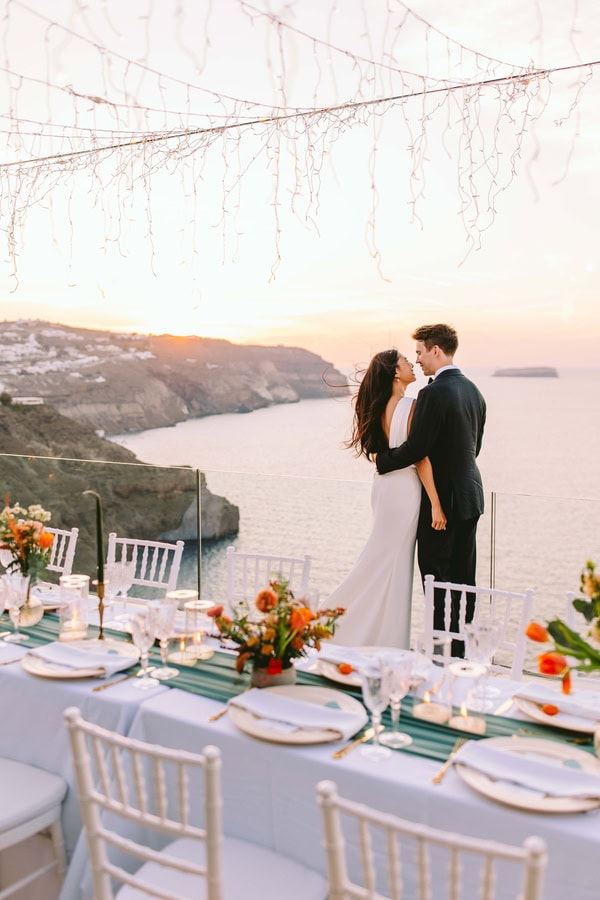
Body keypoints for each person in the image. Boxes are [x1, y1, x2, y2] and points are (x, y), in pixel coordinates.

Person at [375, 324, 486, 654]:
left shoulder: (432, 393)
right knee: (465, 582)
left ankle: (440, 658)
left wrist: (382, 460)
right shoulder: (473, 391)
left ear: (436, 350)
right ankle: (460, 653)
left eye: (421, 352)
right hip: (471, 494)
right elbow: (474, 447)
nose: (418, 360)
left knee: (435, 581)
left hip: (445, 503)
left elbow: (417, 448)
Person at [327, 348, 446, 648]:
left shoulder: (374, 408)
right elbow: (421, 459)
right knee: (392, 562)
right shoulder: (412, 406)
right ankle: (376, 636)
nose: (412, 364)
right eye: (406, 361)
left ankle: (364, 630)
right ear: (395, 372)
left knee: (382, 559)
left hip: (382, 491)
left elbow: (378, 454)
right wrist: (435, 503)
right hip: (405, 493)